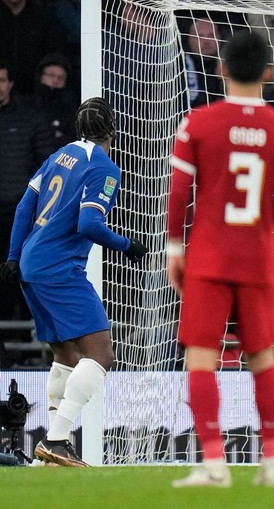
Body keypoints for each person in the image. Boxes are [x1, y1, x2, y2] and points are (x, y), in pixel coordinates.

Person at [166, 31, 274, 488]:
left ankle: (213, 463)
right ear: (269, 72)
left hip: (208, 256)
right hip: (258, 257)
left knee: (202, 361)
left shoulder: (198, 123)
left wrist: (173, 246)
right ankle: (271, 462)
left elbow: (180, 193)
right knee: (264, 360)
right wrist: (263, 212)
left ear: (221, 68)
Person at [0, 97, 147, 466]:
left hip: (32, 265)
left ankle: (51, 453)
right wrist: (127, 245)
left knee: (65, 356)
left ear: (78, 128)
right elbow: (89, 224)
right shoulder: (105, 168)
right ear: (113, 129)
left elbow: (24, 207)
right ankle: (55, 441)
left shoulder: (60, 154)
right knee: (101, 353)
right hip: (59, 268)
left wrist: (14, 257)